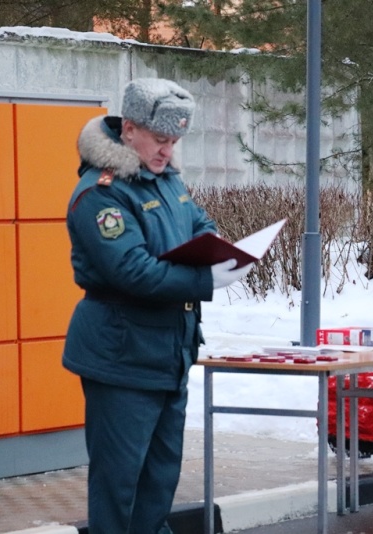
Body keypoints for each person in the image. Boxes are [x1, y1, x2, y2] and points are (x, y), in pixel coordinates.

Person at [62, 78, 251, 533]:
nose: (168, 152)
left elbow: (199, 223)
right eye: (161, 140)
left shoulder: (165, 180)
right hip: (121, 355)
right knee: (119, 484)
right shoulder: (102, 193)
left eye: (175, 141)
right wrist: (206, 278)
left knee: (159, 480)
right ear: (129, 129)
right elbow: (131, 270)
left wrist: (222, 250)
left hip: (167, 352)